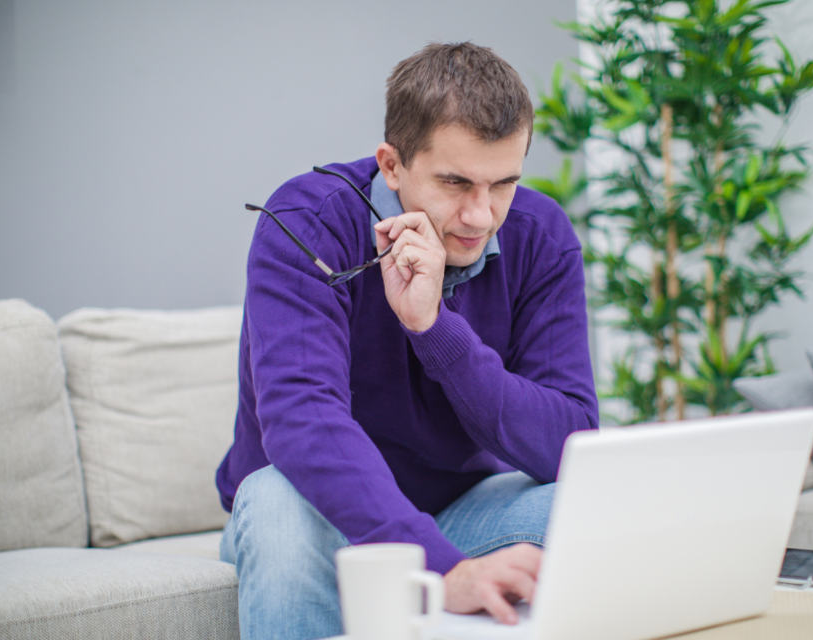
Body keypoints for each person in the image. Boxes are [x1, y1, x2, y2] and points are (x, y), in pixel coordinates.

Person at [215, 41, 598, 640]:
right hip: (319, 516)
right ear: (391, 165)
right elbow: (302, 421)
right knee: (275, 502)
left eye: (503, 183)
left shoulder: (541, 236)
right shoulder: (309, 222)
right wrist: (443, 570)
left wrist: (434, 329)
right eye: (455, 182)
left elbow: (570, 444)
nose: (481, 216)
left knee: (595, 510)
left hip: (463, 509)